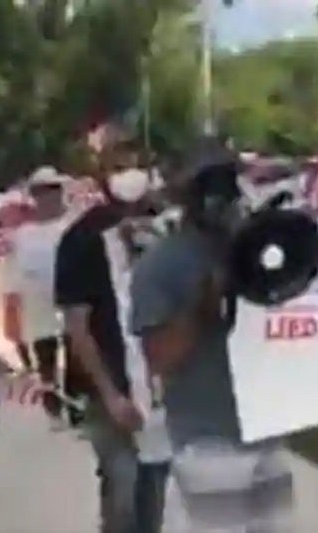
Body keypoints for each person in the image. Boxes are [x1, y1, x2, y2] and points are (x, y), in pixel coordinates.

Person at [130, 142, 293, 531]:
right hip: (208, 443)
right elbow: (160, 359)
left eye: (227, 179)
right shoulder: (161, 265)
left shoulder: (255, 248)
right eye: (209, 183)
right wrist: (202, 308)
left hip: (266, 436)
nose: (222, 193)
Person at [54, 137, 170, 533]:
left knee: (154, 493)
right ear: (102, 176)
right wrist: (111, 394)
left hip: (160, 391)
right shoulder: (82, 239)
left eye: (136, 166)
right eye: (119, 168)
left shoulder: (164, 229)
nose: (129, 176)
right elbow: (77, 324)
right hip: (110, 389)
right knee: (122, 488)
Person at [2, 167, 78, 423]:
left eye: (52, 190)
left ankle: (77, 409)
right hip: (38, 307)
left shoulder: (73, 227)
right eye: (41, 191)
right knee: (46, 362)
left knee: (76, 358)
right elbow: (14, 274)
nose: (47, 196)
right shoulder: (23, 235)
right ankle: (53, 409)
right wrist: (11, 308)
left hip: (73, 302)